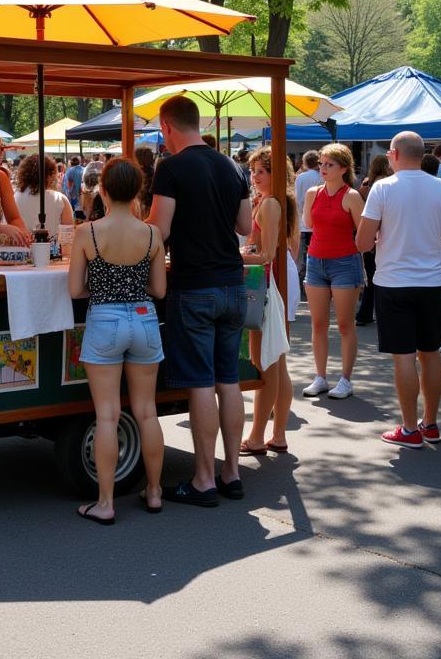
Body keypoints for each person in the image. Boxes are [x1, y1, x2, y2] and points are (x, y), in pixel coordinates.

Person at [148, 95, 252, 506]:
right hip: (231, 282)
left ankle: (204, 479)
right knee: (229, 381)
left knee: (200, 384)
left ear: (167, 126)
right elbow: (245, 225)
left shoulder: (170, 168)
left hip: (193, 285)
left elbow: (158, 230)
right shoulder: (231, 165)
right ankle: (232, 473)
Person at [68, 159, 167, 524]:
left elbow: (76, 288)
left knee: (107, 415)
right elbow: (159, 289)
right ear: (139, 191)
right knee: (146, 411)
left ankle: (106, 502)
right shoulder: (153, 234)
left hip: (105, 318)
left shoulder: (88, 233)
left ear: (103, 190)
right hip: (143, 319)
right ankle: (154, 492)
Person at [355, 131, 441, 449]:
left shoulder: (383, 188)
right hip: (431, 281)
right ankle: (429, 423)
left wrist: (383, 242)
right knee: (429, 354)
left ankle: (408, 428)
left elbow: (362, 242)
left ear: (395, 154)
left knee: (403, 357)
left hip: (393, 281)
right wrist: (432, 249)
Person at [239, 147, 298, 455]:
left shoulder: (272, 203)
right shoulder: (271, 201)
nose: (254, 176)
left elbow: (267, 255)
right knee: (276, 359)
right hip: (277, 277)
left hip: (272, 280)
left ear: (275, 173)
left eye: (260, 171)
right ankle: (276, 435)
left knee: (268, 360)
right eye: (252, 171)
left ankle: (259, 436)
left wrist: (238, 257)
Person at [301, 144, 365, 400]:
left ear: (344, 168)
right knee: (318, 323)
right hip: (316, 260)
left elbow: (363, 232)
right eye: (321, 163)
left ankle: (346, 379)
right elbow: (308, 223)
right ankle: (320, 376)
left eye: (329, 164)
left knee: (344, 324)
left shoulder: (351, 196)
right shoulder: (312, 192)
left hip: (344, 262)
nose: (323, 168)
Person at [355, 154, 391, 326]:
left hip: (369, 231)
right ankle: (373, 313)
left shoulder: (367, 183)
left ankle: (364, 313)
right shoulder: (388, 182)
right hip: (381, 235)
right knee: (379, 277)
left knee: (371, 277)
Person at [14, 155, 73, 238]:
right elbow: (67, 237)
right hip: (51, 249)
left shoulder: (14, 198)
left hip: (20, 249)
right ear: (49, 176)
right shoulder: (60, 199)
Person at [294, 151, 322, 286]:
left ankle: (300, 276)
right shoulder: (321, 177)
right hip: (317, 221)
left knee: (300, 254)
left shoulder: (300, 177)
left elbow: (297, 198)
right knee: (312, 252)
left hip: (301, 221)